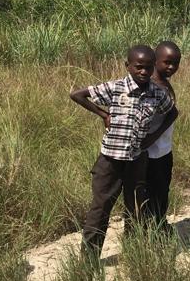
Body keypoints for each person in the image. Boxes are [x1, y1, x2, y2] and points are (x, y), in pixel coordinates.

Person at [72, 45, 176, 254]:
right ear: (127, 65)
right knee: (100, 208)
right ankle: (90, 258)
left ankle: (133, 251)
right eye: (139, 67)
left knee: (135, 207)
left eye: (148, 67)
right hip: (110, 160)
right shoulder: (115, 87)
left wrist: (153, 136)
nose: (144, 72)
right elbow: (77, 95)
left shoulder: (157, 93)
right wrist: (103, 115)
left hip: (137, 160)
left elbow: (172, 113)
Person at [146, 40, 181, 230]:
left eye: (176, 63)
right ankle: (148, 229)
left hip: (164, 150)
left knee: (162, 190)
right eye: (167, 62)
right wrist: (153, 137)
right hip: (149, 153)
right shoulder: (150, 86)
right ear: (155, 60)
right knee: (149, 192)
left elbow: (171, 114)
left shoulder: (164, 84)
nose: (172, 67)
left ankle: (160, 225)